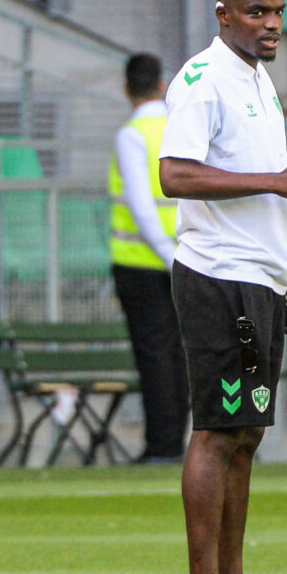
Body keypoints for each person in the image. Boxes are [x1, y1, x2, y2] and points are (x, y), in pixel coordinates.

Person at [159, 0, 287, 574]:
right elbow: (174, 174)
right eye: (257, 13)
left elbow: (260, 191)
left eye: (279, 12)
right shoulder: (201, 82)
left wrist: (283, 270)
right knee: (216, 430)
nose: (272, 25)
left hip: (256, 276)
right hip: (216, 275)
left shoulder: (256, 80)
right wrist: (278, 182)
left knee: (248, 432)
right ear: (225, 14)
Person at [108, 53, 190, 465]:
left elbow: (141, 208)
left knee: (155, 355)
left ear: (126, 90)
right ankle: (183, 441)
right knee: (183, 353)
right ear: (161, 85)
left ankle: (163, 445)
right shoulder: (177, 125)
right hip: (189, 259)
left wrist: (167, 258)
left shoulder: (133, 133)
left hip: (143, 264)